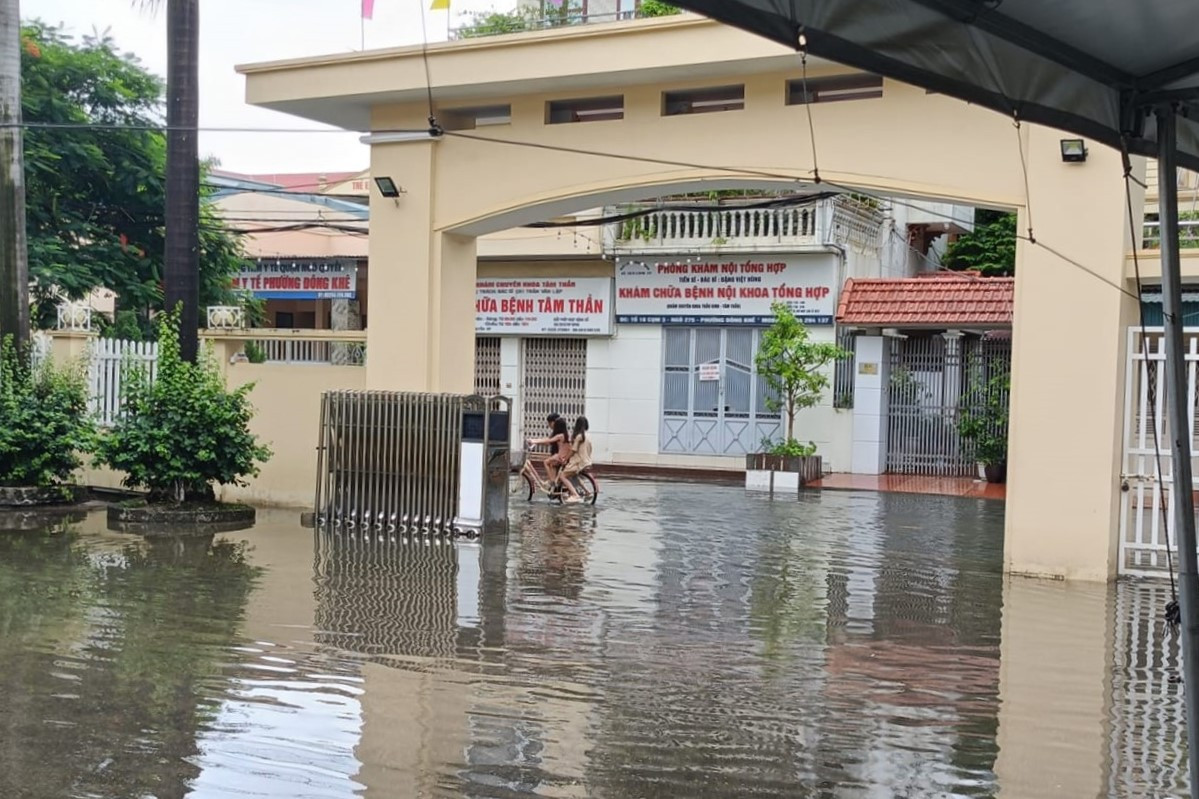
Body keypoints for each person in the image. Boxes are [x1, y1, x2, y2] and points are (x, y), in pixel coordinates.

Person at [527, 414, 571, 488]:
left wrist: (534, 441)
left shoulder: (558, 436)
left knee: (546, 462)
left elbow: (548, 440)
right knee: (551, 465)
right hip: (564, 457)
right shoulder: (567, 435)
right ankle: (554, 483)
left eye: (549, 423)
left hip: (558, 456)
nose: (549, 425)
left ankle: (552, 481)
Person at [560, 416, 593, 504]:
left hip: (578, 462)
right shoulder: (588, 436)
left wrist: (565, 459)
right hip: (587, 461)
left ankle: (575, 495)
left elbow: (573, 450)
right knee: (574, 476)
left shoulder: (579, 437)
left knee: (562, 476)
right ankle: (587, 492)